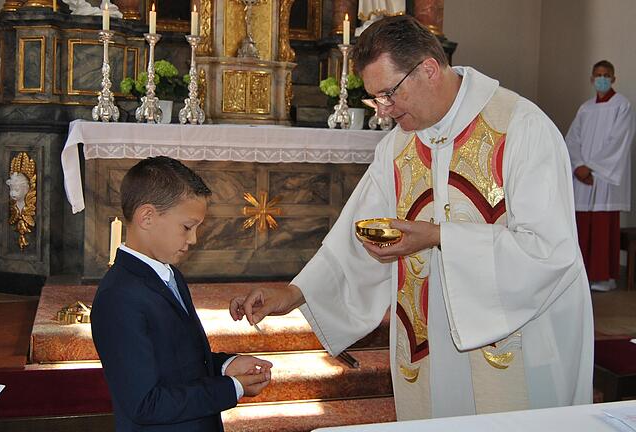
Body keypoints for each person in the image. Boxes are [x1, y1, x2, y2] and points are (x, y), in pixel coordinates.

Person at [230, 15, 593, 420]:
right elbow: (358, 237)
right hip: (431, 349)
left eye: (389, 94)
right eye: (375, 99)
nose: (384, 112)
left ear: (429, 70)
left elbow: (548, 252)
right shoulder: (399, 146)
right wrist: (295, 294)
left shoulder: (522, 129)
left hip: (519, 346)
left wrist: (439, 236)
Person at [92, 156, 272, 432]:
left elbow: (180, 360)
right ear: (147, 217)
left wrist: (226, 365)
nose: (193, 240)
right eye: (187, 227)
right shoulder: (118, 298)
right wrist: (230, 388)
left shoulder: (170, 275)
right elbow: (145, 404)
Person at [566, 60, 635, 292]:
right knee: (583, 224)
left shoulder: (622, 105)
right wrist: (577, 166)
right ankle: (583, 273)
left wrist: (592, 167)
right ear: (592, 79)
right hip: (583, 176)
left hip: (603, 177)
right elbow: (572, 139)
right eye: (598, 75)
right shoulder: (585, 108)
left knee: (603, 225)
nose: (602, 78)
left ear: (614, 79)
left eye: (606, 75)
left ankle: (604, 276)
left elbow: (618, 141)